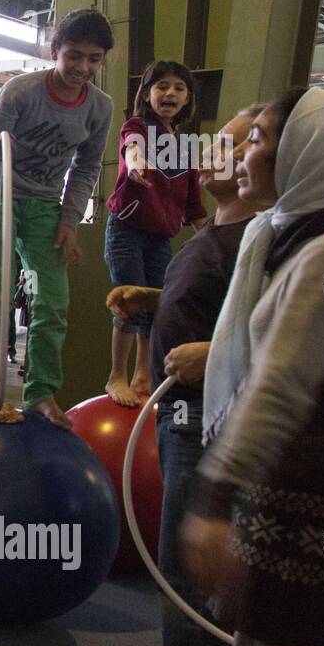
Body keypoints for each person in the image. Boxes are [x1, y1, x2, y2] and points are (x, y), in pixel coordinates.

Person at [181, 87, 324, 646]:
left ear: (309, 150)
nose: (243, 153)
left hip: (305, 496)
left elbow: (281, 386)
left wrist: (214, 492)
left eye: (260, 139)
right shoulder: (307, 237)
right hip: (305, 490)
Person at [95, 105, 262, 646]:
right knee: (182, 554)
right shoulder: (223, 232)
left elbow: (281, 333)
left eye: (239, 141)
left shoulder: (266, 238)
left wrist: (213, 355)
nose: (215, 149)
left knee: (187, 559)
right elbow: (228, 304)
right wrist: (156, 301)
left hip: (210, 416)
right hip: (183, 413)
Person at [0, 8, 115, 428]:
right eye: (74, 55)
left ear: (103, 60)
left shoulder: (100, 108)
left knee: (52, 301)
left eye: (93, 58)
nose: (82, 67)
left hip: (47, 208)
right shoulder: (21, 90)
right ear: (55, 51)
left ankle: (42, 393)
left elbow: (86, 169)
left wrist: (70, 221)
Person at [104, 61, 207, 406]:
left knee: (158, 305)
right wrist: (134, 162)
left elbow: (194, 204)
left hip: (161, 237)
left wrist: (217, 235)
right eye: (162, 86)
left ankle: (143, 373)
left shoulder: (185, 146)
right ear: (147, 95)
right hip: (127, 230)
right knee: (129, 303)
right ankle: (116, 375)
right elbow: (130, 145)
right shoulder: (137, 127)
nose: (170, 93)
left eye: (179, 88)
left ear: (188, 99)